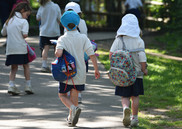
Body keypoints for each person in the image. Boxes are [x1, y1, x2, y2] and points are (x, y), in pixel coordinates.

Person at [55, 11, 100, 127]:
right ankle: (71, 117)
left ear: (63, 25)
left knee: (62, 95)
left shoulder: (62, 39)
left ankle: (73, 109)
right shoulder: (83, 38)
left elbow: (58, 53)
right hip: (79, 73)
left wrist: (57, 49)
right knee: (74, 95)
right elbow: (92, 54)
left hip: (66, 73)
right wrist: (96, 69)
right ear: (78, 24)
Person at [109, 14, 148, 127]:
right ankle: (134, 118)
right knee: (135, 96)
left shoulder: (119, 39)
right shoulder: (139, 40)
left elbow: (111, 55)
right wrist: (144, 69)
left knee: (125, 96)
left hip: (123, 74)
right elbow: (142, 58)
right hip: (136, 75)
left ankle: (126, 108)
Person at [1, 2, 33, 95]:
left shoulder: (9, 21)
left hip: (10, 49)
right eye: (27, 14)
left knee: (13, 68)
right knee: (26, 65)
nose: (27, 17)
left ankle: (11, 85)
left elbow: (3, 33)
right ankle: (28, 85)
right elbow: (25, 35)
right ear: (22, 11)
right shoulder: (23, 22)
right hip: (21, 48)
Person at [65, 1, 88, 103]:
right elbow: (85, 35)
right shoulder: (82, 22)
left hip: (69, 51)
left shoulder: (65, 22)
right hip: (80, 51)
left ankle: (71, 93)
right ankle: (78, 94)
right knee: (80, 71)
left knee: (70, 71)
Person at [36, 0, 61, 72]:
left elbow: (37, 18)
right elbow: (60, 18)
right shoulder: (56, 6)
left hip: (44, 32)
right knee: (56, 48)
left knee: (45, 48)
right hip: (54, 31)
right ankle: (56, 64)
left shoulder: (42, 7)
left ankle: (44, 65)